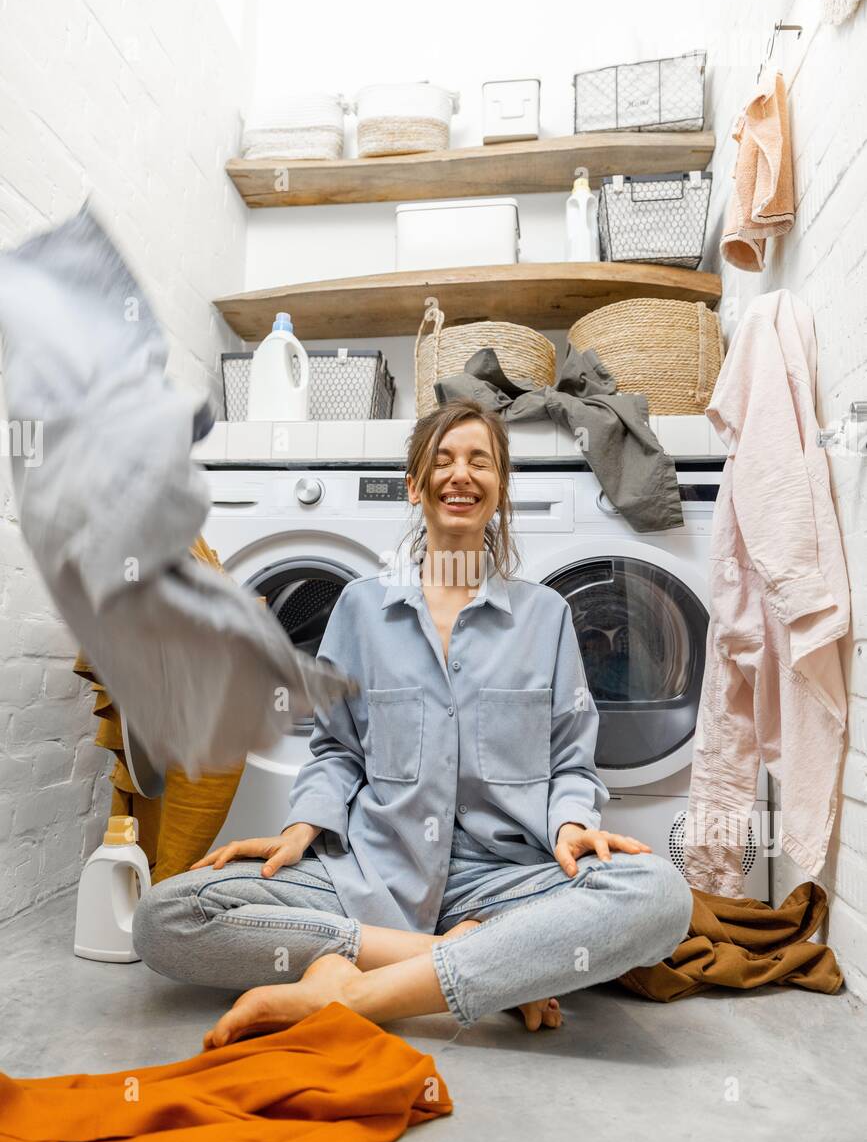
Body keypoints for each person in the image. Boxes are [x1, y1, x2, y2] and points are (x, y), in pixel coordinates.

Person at [133, 401, 694, 1042]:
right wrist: (301, 827)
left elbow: (570, 760)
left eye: (480, 461)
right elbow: (338, 749)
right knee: (167, 914)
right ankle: (480, 964)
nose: (461, 474)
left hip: (509, 880)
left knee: (660, 895)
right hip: (374, 873)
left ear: (500, 488)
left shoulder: (546, 617)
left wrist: (571, 826)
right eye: (443, 460)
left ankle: (353, 992)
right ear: (414, 485)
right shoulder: (360, 608)